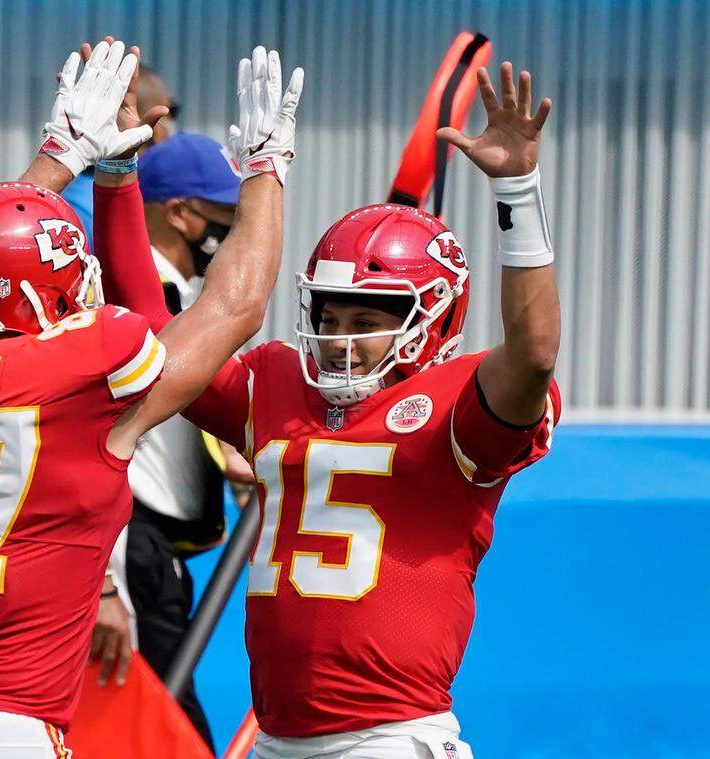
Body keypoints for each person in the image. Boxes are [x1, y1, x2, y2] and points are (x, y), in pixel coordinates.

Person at [0, 39, 303, 758]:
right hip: (5, 726)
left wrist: (62, 154)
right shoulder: (81, 379)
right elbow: (235, 304)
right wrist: (265, 171)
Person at [97, 62, 560, 758]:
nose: (339, 334)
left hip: (389, 737)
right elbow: (153, 330)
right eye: (330, 312)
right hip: (275, 738)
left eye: (366, 317)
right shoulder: (279, 384)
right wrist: (114, 175)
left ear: (433, 319)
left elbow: (533, 354)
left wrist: (516, 189)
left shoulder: (455, 404)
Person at [93, 131, 259, 750]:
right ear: (181, 213)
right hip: (130, 542)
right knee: (166, 728)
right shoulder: (122, 301)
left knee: (158, 719)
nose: (235, 230)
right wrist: (105, 580)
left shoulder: (192, 298)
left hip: (160, 549)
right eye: (226, 214)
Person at [61, 62, 178, 242]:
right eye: (172, 111)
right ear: (154, 123)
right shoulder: (93, 207)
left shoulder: (76, 193)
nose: (171, 126)